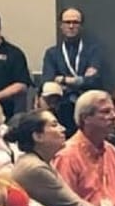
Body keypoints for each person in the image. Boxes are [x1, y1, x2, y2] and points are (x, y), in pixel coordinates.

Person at [41, 8, 105, 136]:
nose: (71, 26)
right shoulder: (52, 53)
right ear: (61, 25)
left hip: (88, 107)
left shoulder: (93, 51)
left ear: (81, 26)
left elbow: (94, 80)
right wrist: (81, 80)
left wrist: (63, 80)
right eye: (67, 22)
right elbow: (48, 82)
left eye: (75, 22)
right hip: (61, 107)